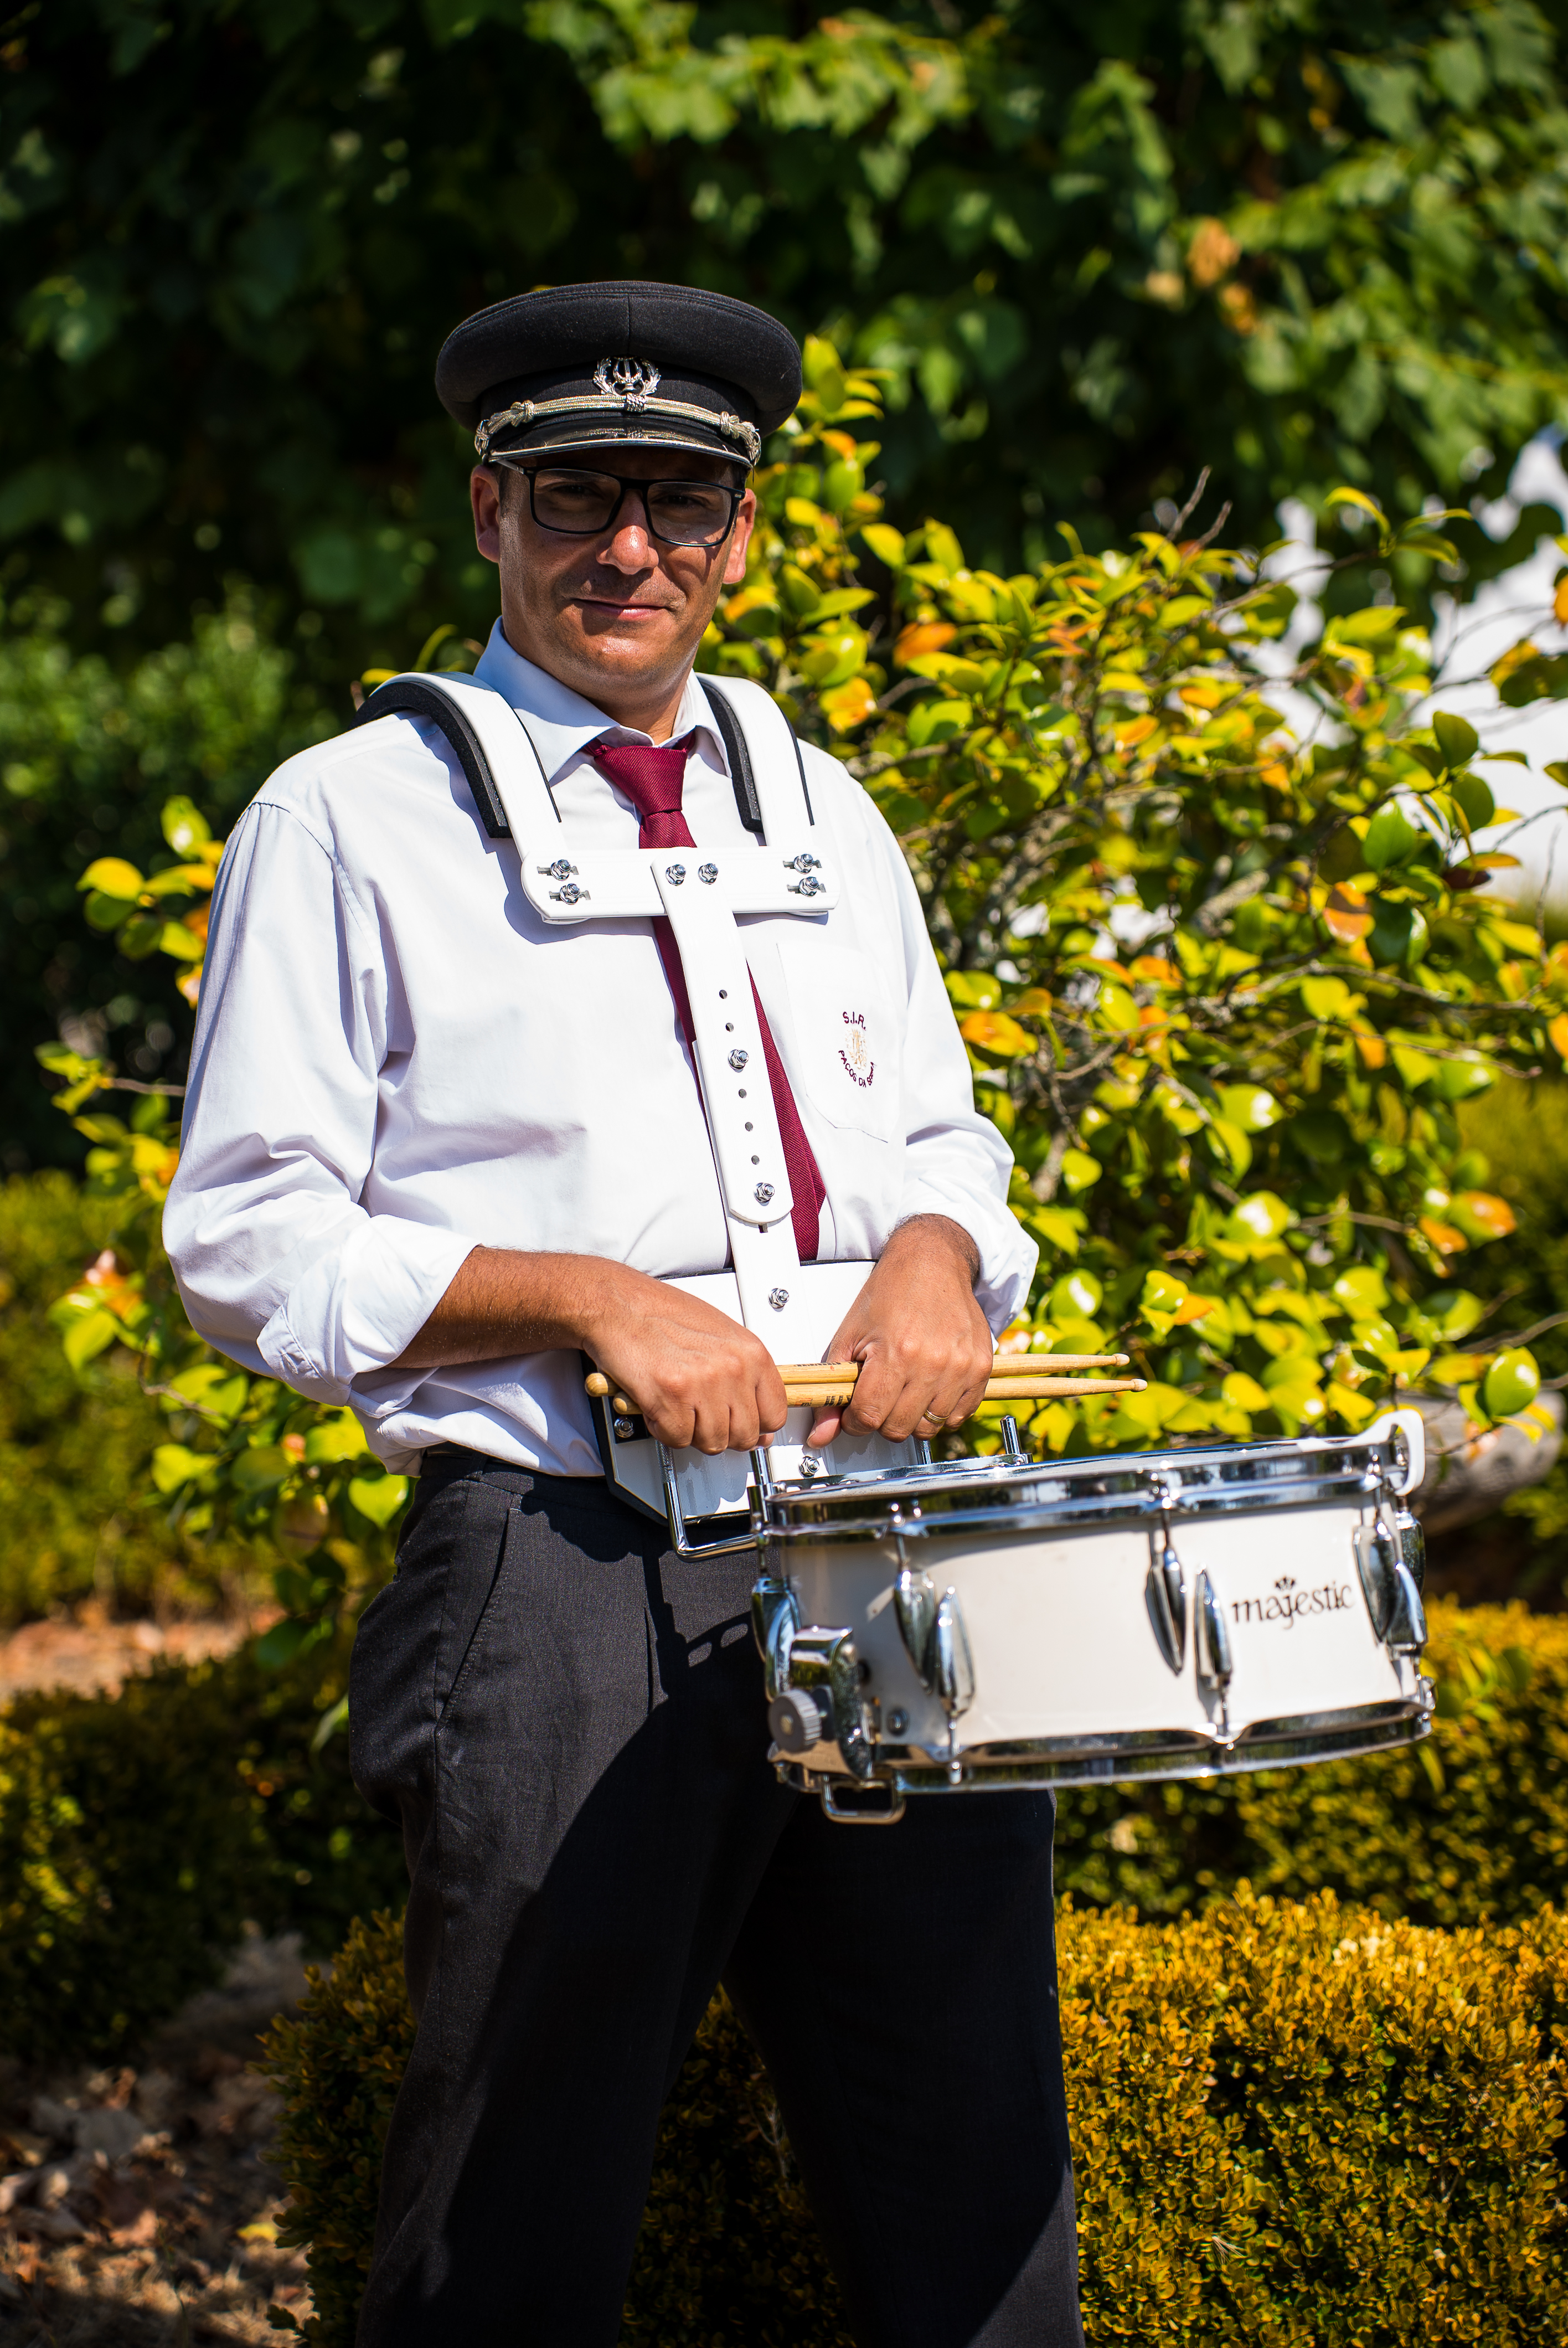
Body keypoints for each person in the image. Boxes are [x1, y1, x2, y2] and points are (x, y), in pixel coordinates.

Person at [164, 280, 1084, 2347]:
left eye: (680, 499)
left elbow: (944, 1133)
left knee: (980, 2199)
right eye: (580, 494)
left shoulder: (823, 811)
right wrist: (583, 1296)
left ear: (742, 532)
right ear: (488, 511)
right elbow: (245, 1243)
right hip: (564, 1580)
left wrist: (941, 1254)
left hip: (883, 1552)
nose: (631, 548)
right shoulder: (347, 820)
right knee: (517, 2227)